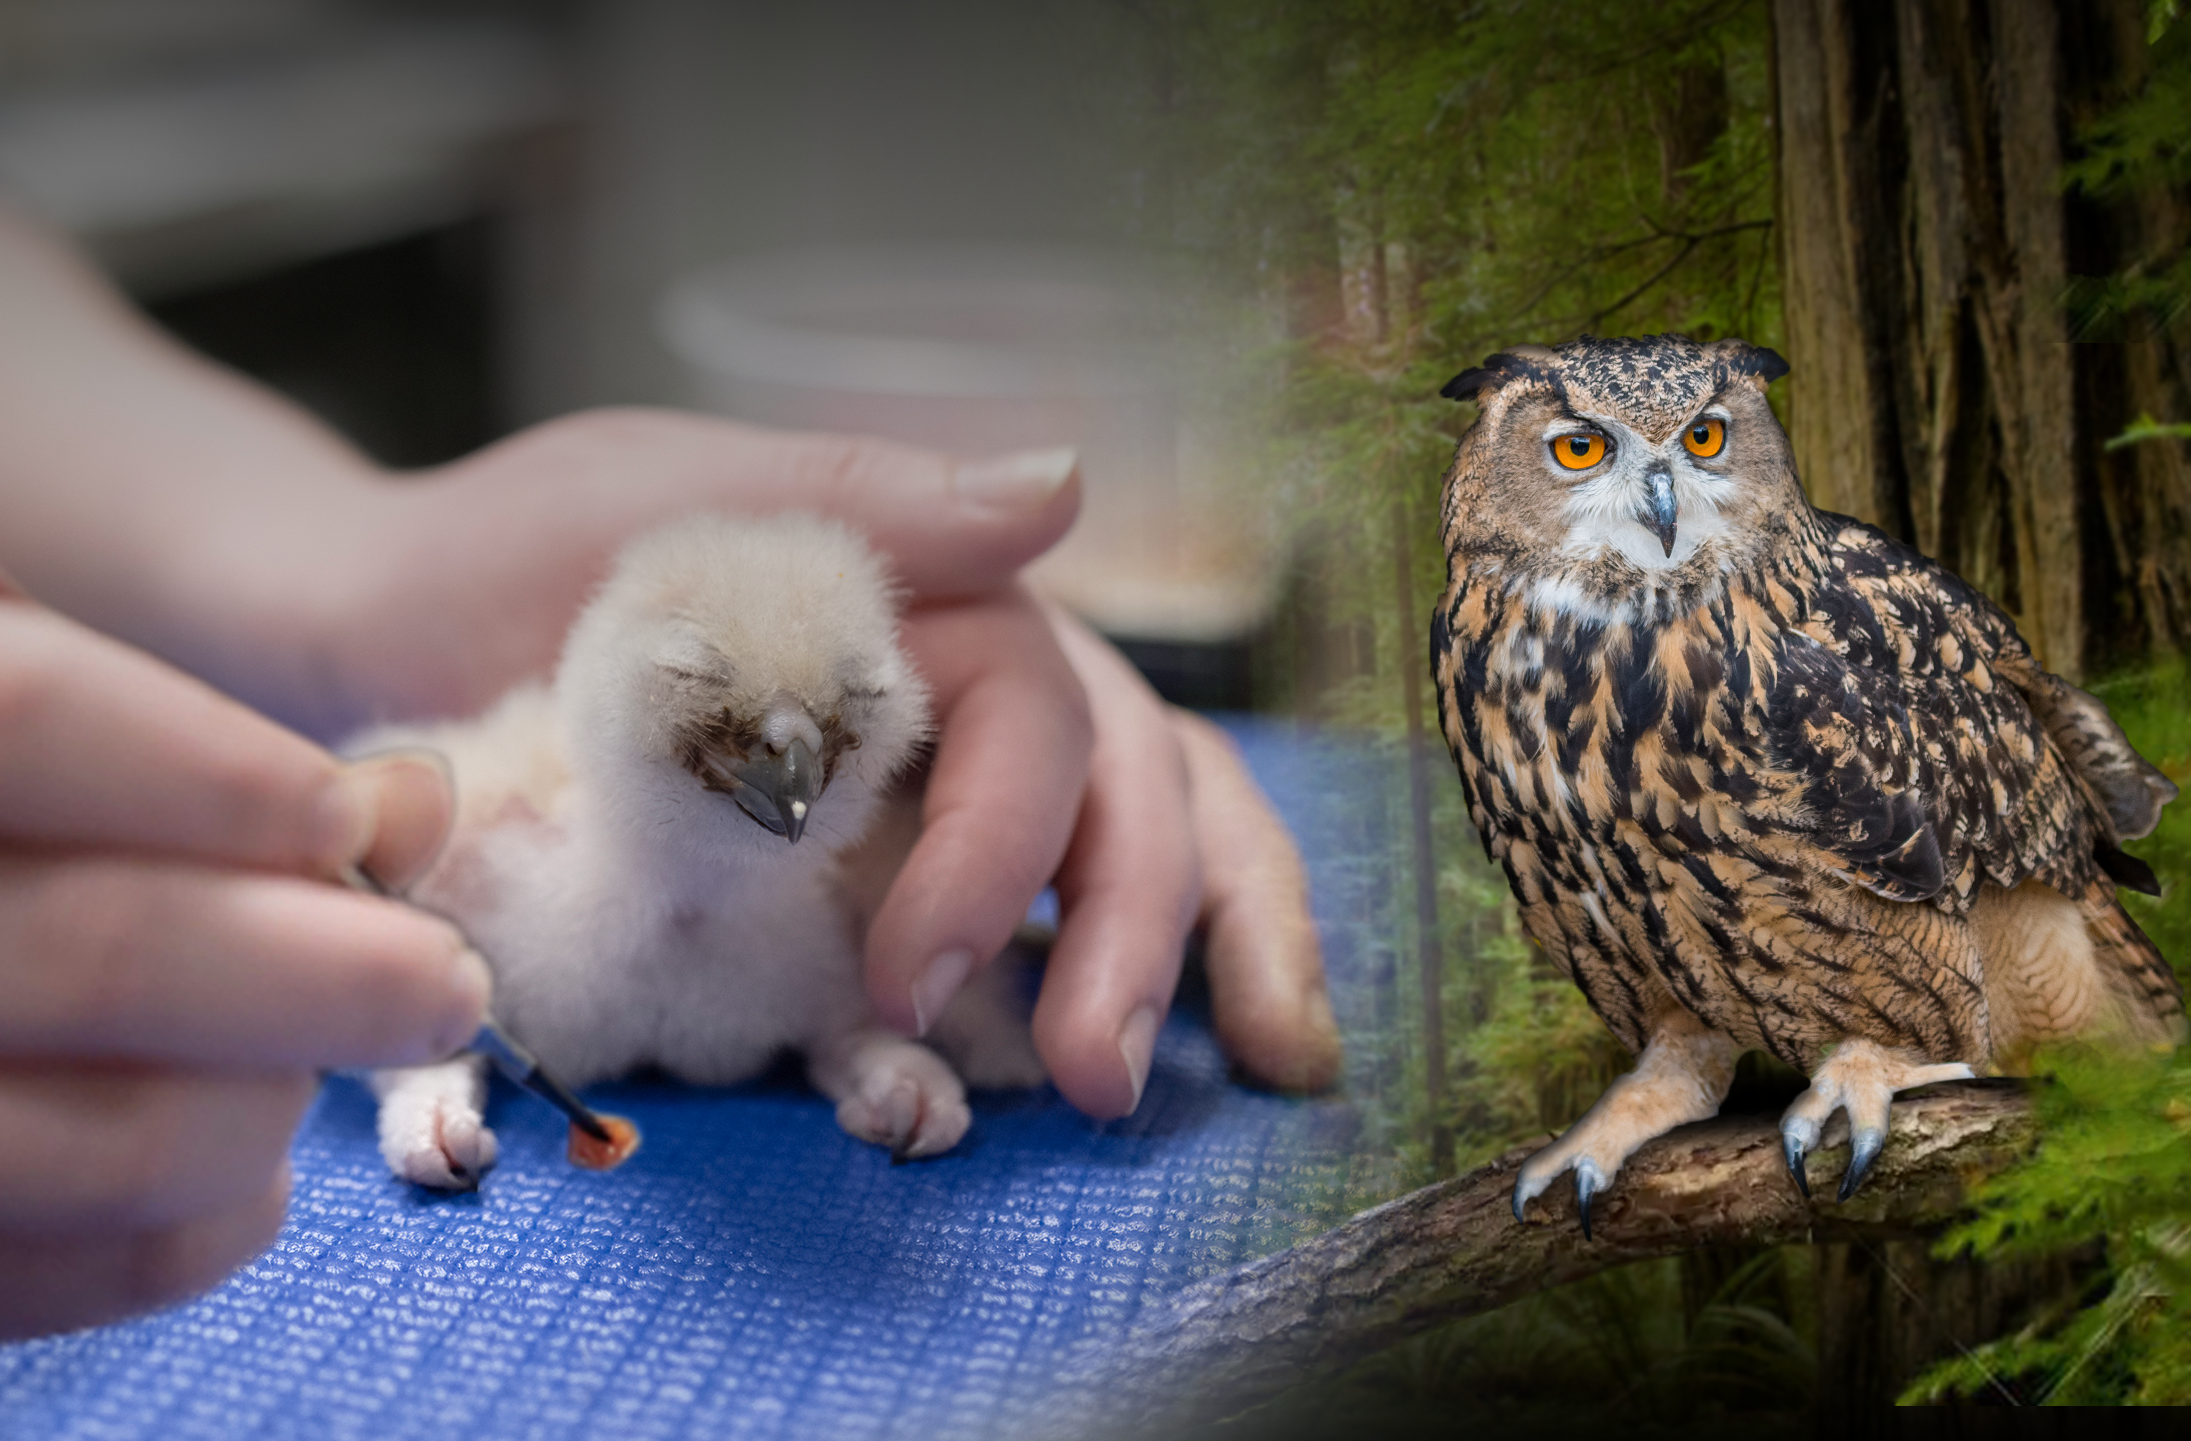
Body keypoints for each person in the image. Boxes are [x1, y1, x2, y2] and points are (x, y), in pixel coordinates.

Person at [0, 208, 1340, 1340]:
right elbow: (362, 856)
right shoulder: (501, 810)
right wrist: (418, 1062)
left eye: (829, 732)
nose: (783, 775)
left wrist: (358, 563)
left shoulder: (837, 874)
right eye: (724, 716)